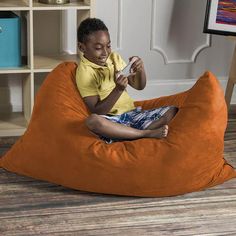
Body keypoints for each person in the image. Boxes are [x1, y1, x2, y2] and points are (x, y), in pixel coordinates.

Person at [76, 18, 178, 143]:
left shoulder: (114, 58)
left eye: (108, 46)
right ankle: (145, 133)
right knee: (93, 121)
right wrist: (118, 90)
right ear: (82, 47)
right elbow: (97, 111)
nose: (105, 52)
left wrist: (140, 70)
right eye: (98, 48)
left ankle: (130, 134)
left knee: (173, 110)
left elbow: (139, 86)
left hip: (132, 115)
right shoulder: (85, 72)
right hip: (113, 120)